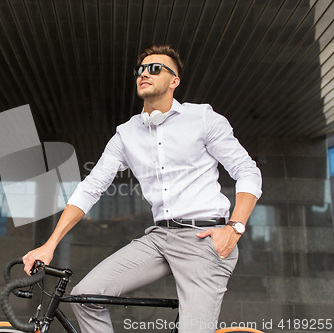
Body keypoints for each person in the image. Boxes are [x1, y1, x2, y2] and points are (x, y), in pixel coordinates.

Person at [23, 44, 262, 333]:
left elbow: (247, 171)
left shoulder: (203, 119)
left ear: (174, 81)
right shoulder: (126, 134)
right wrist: (49, 245)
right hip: (160, 238)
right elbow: (91, 187)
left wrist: (234, 229)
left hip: (204, 240)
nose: (144, 74)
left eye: (155, 68)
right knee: (86, 297)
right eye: (140, 70)